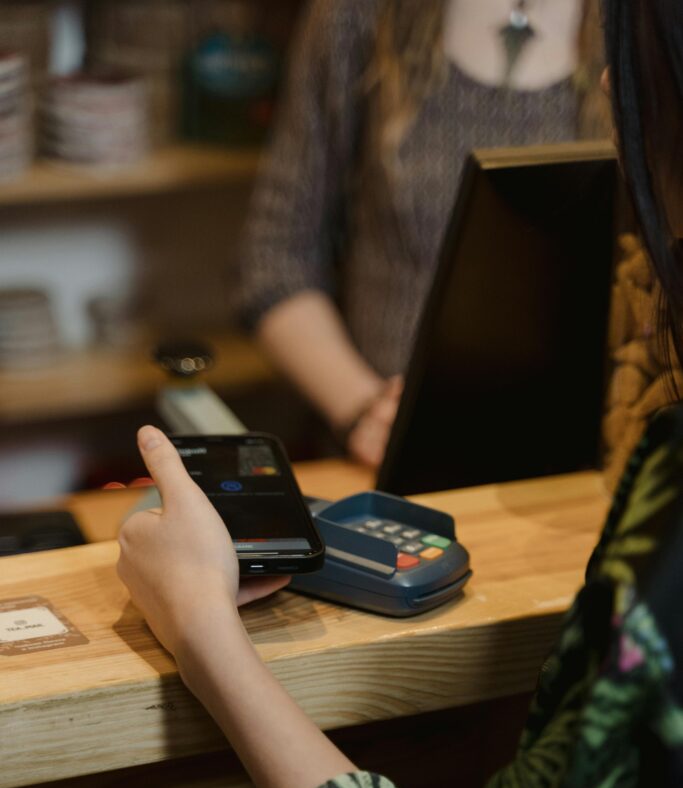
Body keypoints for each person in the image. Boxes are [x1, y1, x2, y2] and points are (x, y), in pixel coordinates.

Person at [117, 0, 683, 788]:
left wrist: (198, 621)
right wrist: (359, 403)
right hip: (379, 473)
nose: (605, 96)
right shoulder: (360, 23)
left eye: (629, 86)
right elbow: (274, 260)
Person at [239, 0, 611, 468]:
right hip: (387, 464)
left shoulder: (642, 26)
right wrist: (364, 412)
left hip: (584, 466)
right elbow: (274, 257)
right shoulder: (360, 15)